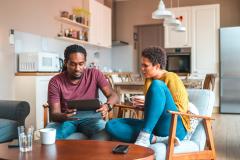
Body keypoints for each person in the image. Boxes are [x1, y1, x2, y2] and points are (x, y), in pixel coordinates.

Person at [105, 46, 190, 147]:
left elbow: (181, 109)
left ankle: (145, 134)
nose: (142, 69)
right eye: (142, 65)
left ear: (157, 66)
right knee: (111, 125)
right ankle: (157, 139)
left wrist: (148, 104)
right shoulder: (149, 80)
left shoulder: (171, 77)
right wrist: (145, 106)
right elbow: (152, 111)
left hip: (175, 126)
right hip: (155, 127)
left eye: (145, 65)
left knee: (157, 85)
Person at [47, 44, 119, 140]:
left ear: (85, 63)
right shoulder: (55, 81)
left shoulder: (95, 74)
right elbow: (54, 114)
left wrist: (107, 106)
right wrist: (64, 116)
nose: (77, 68)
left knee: (106, 134)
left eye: (81, 64)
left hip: (92, 120)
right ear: (65, 62)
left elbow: (113, 95)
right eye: (73, 64)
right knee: (50, 137)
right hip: (66, 120)